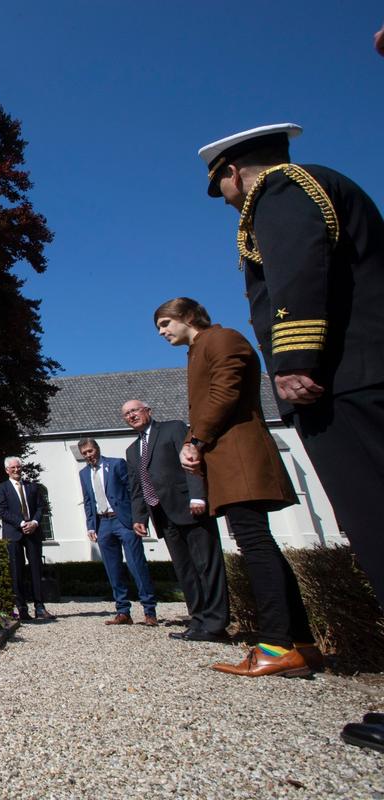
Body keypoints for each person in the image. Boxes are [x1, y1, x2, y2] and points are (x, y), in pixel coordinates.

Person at [199, 124, 384, 740]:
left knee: (376, 521)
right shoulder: (317, 183)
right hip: (360, 368)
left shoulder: (277, 193)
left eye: (219, 185)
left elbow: (297, 272)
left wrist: (296, 360)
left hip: (347, 375)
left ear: (232, 172)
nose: (223, 196)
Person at [155, 297, 316, 678]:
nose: (162, 332)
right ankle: (302, 644)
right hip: (228, 460)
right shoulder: (199, 350)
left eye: (165, 323)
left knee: (255, 545)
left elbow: (225, 392)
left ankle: (276, 644)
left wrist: (195, 440)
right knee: (260, 544)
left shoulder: (222, 339)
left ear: (188, 316)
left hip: (239, 456)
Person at [122, 400, 229, 641]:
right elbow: (136, 486)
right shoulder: (132, 450)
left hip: (189, 508)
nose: (131, 416)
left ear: (148, 410)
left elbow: (191, 461)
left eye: (135, 411)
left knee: (206, 565)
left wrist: (198, 496)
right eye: (127, 414)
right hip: (163, 515)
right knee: (185, 570)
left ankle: (216, 623)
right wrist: (139, 516)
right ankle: (198, 620)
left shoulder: (173, 428)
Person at [77, 438, 157, 626]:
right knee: (112, 569)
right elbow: (88, 500)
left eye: (90, 451)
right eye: (85, 453)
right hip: (102, 523)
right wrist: (90, 525)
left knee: (136, 565)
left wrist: (138, 518)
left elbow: (133, 491)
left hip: (123, 520)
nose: (89, 455)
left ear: (97, 449)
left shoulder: (116, 464)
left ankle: (149, 611)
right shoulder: (84, 473)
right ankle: (122, 611)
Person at [0, 456, 52, 621]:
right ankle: (22, 609)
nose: (16, 470)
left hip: (33, 532)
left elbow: (41, 507)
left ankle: (39, 607)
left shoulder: (32, 487)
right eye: (13, 468)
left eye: (18, 467)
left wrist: (34, 522)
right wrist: (21, 523)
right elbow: (2, 510)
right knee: (16, 572)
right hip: (14, 534)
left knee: (36, 570)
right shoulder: (2, 488)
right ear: (7, 470)